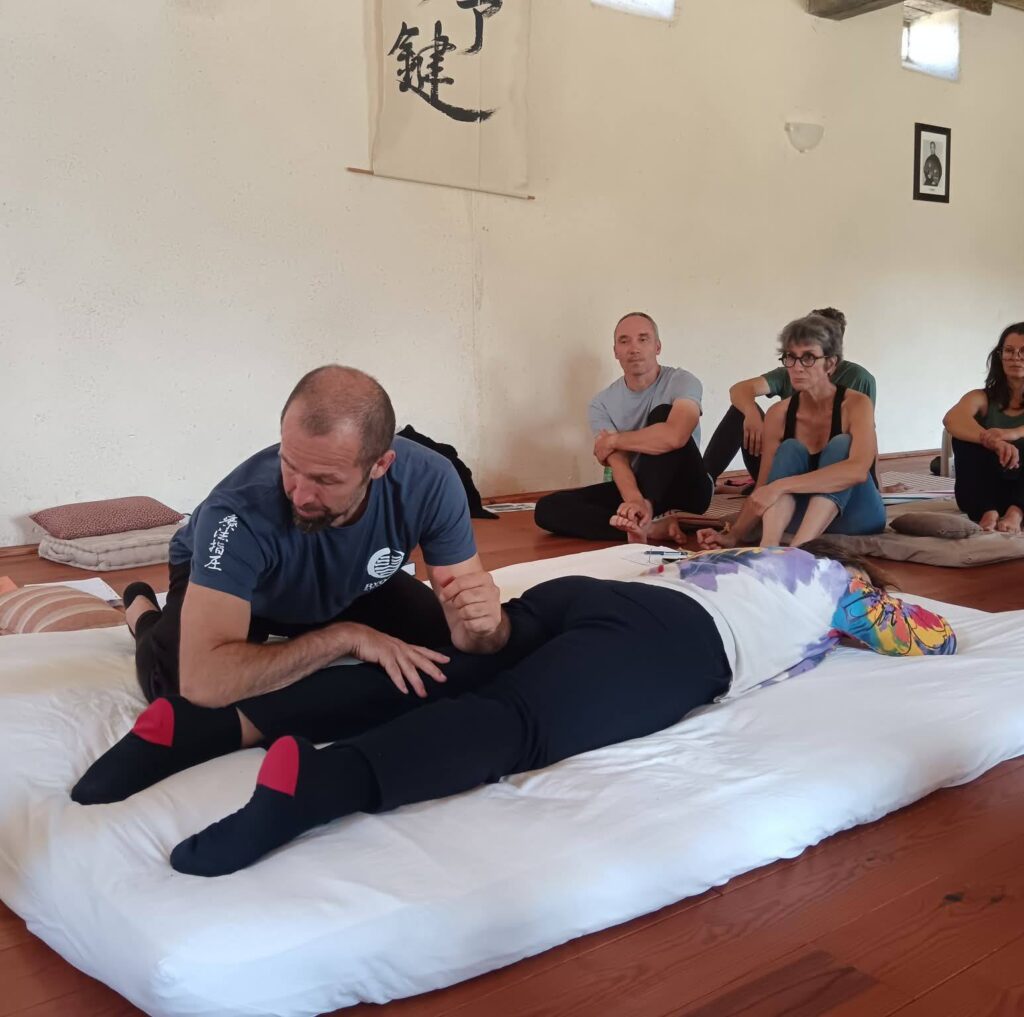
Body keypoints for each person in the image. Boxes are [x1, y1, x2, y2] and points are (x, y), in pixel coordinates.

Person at [135, 542, 954, 877]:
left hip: (591, 595)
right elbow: (933, 636)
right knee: (514, 723)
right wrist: (867, 597)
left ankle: (219, 723)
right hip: (677, 644)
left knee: (450, 668)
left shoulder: (735, 557)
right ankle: (319, 786)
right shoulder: (841, 587)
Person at [71, 366, 503, 805]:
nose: (300, 495)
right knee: (178, 686)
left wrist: (487, 624)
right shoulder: (236, 513)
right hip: (251, 591)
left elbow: (473, 635)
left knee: (443, 656)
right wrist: (343, 639)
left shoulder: (430, 480)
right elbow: (205, 682)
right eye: (290, 465)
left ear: (380, 465)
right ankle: (143, 614)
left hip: (351, 582)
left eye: (326, 480)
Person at [697, 314, 884, 552]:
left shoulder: (856, 404)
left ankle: (797, 551)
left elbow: (856, 471)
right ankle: (769, 549)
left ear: (830, 364)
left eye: (808, 358)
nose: (796, 368)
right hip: (800, 516)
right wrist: (732, 536)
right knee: (790, 449)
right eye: (790, 357)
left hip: (857, 517)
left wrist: (780, 486)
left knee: (841, 445)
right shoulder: (779, 414)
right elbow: (764, 486)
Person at [534, 311, 713, 542]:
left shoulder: (682, 381)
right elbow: (617, 460)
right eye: (624, 341)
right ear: (615, 351)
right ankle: (650, 528)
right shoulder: (601, 403)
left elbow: (675, 436)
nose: (634, 348)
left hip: (689, 490)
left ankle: (647, 513)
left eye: (643, 339)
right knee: (548, 508)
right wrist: (635, 500)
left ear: (657, 347)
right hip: (637, 486)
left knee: (662, 414)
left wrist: (614, 440)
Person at [703, 308, 877, 484]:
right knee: (743, 415)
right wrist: (751, 413)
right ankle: (703, 483)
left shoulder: (858, 379)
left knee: (841, 444)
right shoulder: (790, 372)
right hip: (785, 465)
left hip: (831, 471)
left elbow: (868, 437)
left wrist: (876, 486)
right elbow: (740, 389)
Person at [943, 323, 1024, 533]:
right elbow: (952, 419)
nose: (1016, 357)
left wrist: (1010, 434)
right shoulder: (981, 397)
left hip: (1020, 490)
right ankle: (988, 511)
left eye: (1023, 351)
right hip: (986, 490)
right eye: (1009, 351)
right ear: (1000, 356)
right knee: (963, 439)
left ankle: (1016, 513)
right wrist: (994, 442)